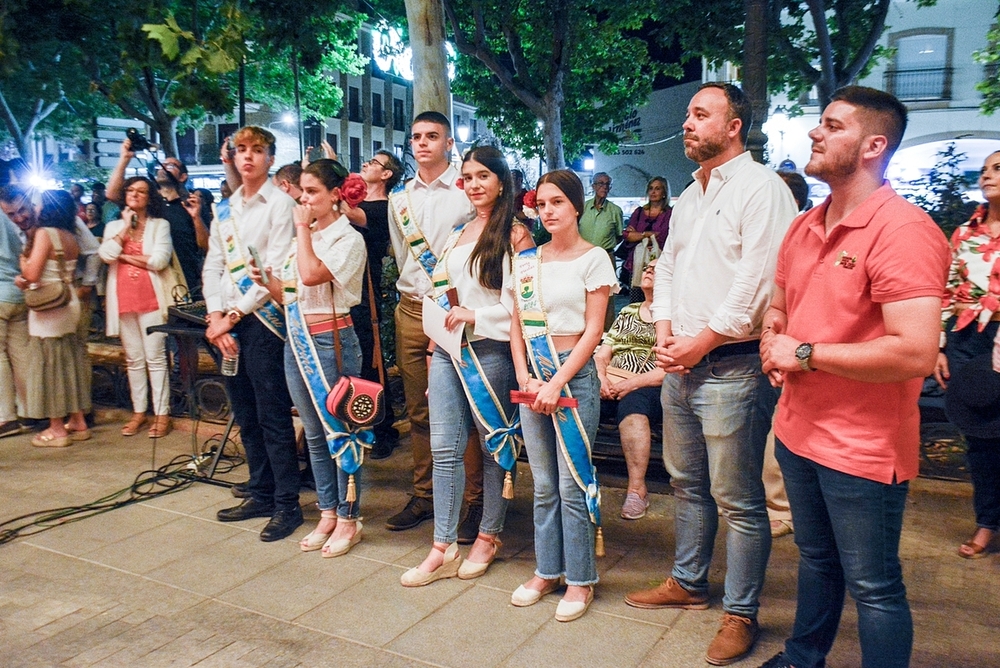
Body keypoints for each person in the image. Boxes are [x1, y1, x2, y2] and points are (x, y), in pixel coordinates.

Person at [757, 86, 950, 668]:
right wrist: (774, 336)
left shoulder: (903, 230)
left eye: (833, 126)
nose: (816, 133)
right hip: (798, 430)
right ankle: (802, 656)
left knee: (874, 585)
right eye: (819, 122)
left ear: (873, 145)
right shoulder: (806, 224)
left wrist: (805, 353)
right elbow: (781, 303)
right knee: (816, 559)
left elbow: (915, 352)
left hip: (862, 446)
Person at [624, 82, 797, 666]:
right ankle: (688, 583)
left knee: (738, 498)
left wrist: (701, 341)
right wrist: (666, 331)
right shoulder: (692, 194)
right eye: (689, 115)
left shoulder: (761, 188)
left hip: (732, 366)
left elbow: (758, 281)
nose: (687, 124)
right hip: (683, 361)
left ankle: (741, 612)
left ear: (735, 125)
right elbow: (666, 265)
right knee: (687, 484)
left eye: (701, 114)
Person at [400, 146, 533, 587]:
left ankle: (489, 535)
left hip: (490, 351)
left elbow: (521, 308)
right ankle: (442, 544)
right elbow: (445, 297)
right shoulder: (459, 231)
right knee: (443, 448)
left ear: (500, 183)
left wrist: (478, 316)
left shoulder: (516, 236)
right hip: (448, 352)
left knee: (494, 447)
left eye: (483, 177)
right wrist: (439, 348)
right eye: (469, 177)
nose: (475, 185)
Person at [510, 169, 617, 622]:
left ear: (576, 205)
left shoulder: (594, 259)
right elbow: (516, 322)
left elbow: (594, 329)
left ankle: (581, 579)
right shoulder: (526, 262)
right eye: (542, 204)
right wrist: (527, 376)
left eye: (557, 202)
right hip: (533, 376)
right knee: (543, 483)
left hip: (573, 375)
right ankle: (547, 569)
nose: (548, 211)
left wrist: (556, 382)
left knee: (574, 482)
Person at [251, 159, 369, 557]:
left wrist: (302, 229)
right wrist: (264, 279)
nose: (304, 199)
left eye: (313, 192)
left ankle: (350, 517)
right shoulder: (309, 235)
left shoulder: (348, 239)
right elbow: (290, 292)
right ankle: (328, 511)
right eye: (302, 191)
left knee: (343, 432)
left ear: (336, 195)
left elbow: (313, 275)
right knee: (315, 435)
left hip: (331, 342)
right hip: (297, 339)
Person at [203, 126, 301, 543]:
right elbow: (213, 265)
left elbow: (274, 271)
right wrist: (214, 317)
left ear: (270, 157)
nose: (248, 158)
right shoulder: (224, 208)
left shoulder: (280, 205)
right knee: (244, 414)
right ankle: (259, 491)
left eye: (257, 151)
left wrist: (233, 315)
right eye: (240, 150)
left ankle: (287, 504)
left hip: (261, 323)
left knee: (272, 414)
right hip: (225, 321)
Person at [385, 111, 476, 532]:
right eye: (417, 136)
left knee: (466, 407)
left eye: (432, 136)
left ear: (449, 142)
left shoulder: (466, 191)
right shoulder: (399, 198)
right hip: (410, 307)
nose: (423, 143)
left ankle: (473, 499)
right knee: (419, 408)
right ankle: (425, 495)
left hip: (454, 308)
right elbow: (402, 256)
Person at [934, 149, 1000, 559]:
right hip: (966, 340)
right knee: (980, 438)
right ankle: (986, 523)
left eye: (999, 168)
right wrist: (938, 346)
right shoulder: (964, 233)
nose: (988, 174)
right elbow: (946, 290)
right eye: (986, 169)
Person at [99, 176, 176, 438]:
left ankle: (162, 413)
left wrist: (124, 256)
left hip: (151, 299)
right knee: (133, 360)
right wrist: (124, 234)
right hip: (123, 299)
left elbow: (159, 261)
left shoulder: (160, 225)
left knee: (155, 358)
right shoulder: (113, 227)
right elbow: (105, 255)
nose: (135, 195)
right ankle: (139, 412)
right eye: (131, 190)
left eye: (142, 191)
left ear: (150, 197)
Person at [16, 190, 89, 447]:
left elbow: (33, 274)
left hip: (48, 306)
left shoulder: (45, 233)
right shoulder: (71, 235)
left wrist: (23, 261)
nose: (34, 208)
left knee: (49, 366)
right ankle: (78, 421)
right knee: (68, 360)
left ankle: (56, 429)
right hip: (69, 301)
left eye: (37, 204)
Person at [344, 150, 404, 460]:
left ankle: (383, 428)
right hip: (345, 290)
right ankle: (358, 422)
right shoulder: (357, 202)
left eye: (375, 163)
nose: (366, 163)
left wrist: (333, 178)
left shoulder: (383, 208)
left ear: (386, 175)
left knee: (370, 361)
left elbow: (352, 215)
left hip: (366, 293)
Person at [593, 259, 665, 519]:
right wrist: (601, 378)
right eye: (647, 266)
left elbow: (670, 367)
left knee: (634, 406)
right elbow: (602, 354)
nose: (648, 269)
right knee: (583, 399)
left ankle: (637, 489)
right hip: (612, 379)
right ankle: (575, 481)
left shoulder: (674, 316)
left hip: (649, 383)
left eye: (656, 269)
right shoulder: (628, 311)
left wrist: (631, 383)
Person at [108, 144, 204, 300]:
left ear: (183, 177)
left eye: (171, 166)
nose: (162, 168)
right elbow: (112, 194)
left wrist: (197, 217)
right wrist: (124, 159)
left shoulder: (192, 205)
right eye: (162, 165)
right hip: (148, 277)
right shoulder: (148, 202)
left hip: (184, 278)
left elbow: (205, 245)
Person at [0, 186, 31, 438]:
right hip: (19, 293)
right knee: (21, 356)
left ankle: (5, 417)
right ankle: (29, 411)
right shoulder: (16, 221)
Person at [621, 177, 671, 298]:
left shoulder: (670, 213)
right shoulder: (638, 212)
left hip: (660, 263)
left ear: (664, 192)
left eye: (657, 189)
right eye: (651, 188)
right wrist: (646, 235)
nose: (653, 192)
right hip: (637, 263)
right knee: (636, 300)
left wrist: (638, 234)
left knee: (657, 299)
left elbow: (663, 236)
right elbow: (627, 235)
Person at [578, 172, 623, 260]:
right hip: (583, 255)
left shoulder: (615, 210)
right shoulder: (582, 207)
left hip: (606, 256)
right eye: (601, 183)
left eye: (607, 184)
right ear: (593, 186)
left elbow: (619, 236)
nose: (605, 187)